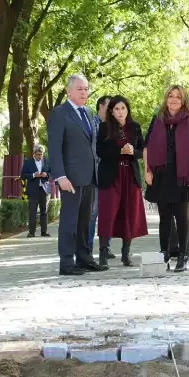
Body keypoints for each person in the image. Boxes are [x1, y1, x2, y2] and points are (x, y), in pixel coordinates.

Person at [47, 74, 107, 275]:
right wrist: (60, 176)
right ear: (69, 91)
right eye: (80, 89)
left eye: (86, 88)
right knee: (69, 220)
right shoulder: (60, 113)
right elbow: (54, 149)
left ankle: (84, 258)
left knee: (85, 220)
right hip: (70, 178)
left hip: (90, 176)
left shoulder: (89, 113)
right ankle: (66, 263)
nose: (84, 92)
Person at [144, 85, 189, 273]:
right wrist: (147, 170)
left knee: (184, 219)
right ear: (166, 98)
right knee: (165, 219)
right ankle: (164, 254)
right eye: (171, 95)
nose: (174, 99)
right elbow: (147, 146)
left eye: (178, 97)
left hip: (184, 177)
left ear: (184, 100)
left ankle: (183, 256)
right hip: (162, 175)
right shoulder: (157, 120)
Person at [96, 95, 148, 267]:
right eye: (116, 109)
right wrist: (119, 151)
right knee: (107, 213)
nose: (120, 112)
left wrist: (134, 151)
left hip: (130, 175)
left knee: (129, 214)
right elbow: (100, 150)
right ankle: (103, 255)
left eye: (123, 108)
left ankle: (126, 254)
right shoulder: (104, 127)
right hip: (111, 175)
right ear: (111, 110)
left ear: (127, 110)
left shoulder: (135, 127)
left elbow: (143, 150)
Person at [90, 95, 114, 260]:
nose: (112, 110)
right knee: (93, 211)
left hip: (109, 173)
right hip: (93, 172)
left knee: (108, 212)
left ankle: (106, 247)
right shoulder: (92, 123)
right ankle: (88, 247)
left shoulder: (114, 126)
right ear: (100, 106)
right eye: (108, 107)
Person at [20, 145, 51, 237]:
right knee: (32, 211)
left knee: (44, 211)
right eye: (38, 154)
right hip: (33, 190)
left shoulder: (47, 161)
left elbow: (52, 173)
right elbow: (23, 175)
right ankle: (31, 232)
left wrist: (47, 175)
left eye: (41, 154)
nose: (40, 156)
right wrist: (33, 175)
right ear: (34, 154)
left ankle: (44, 232)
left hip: (44, 190)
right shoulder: (28, 162)